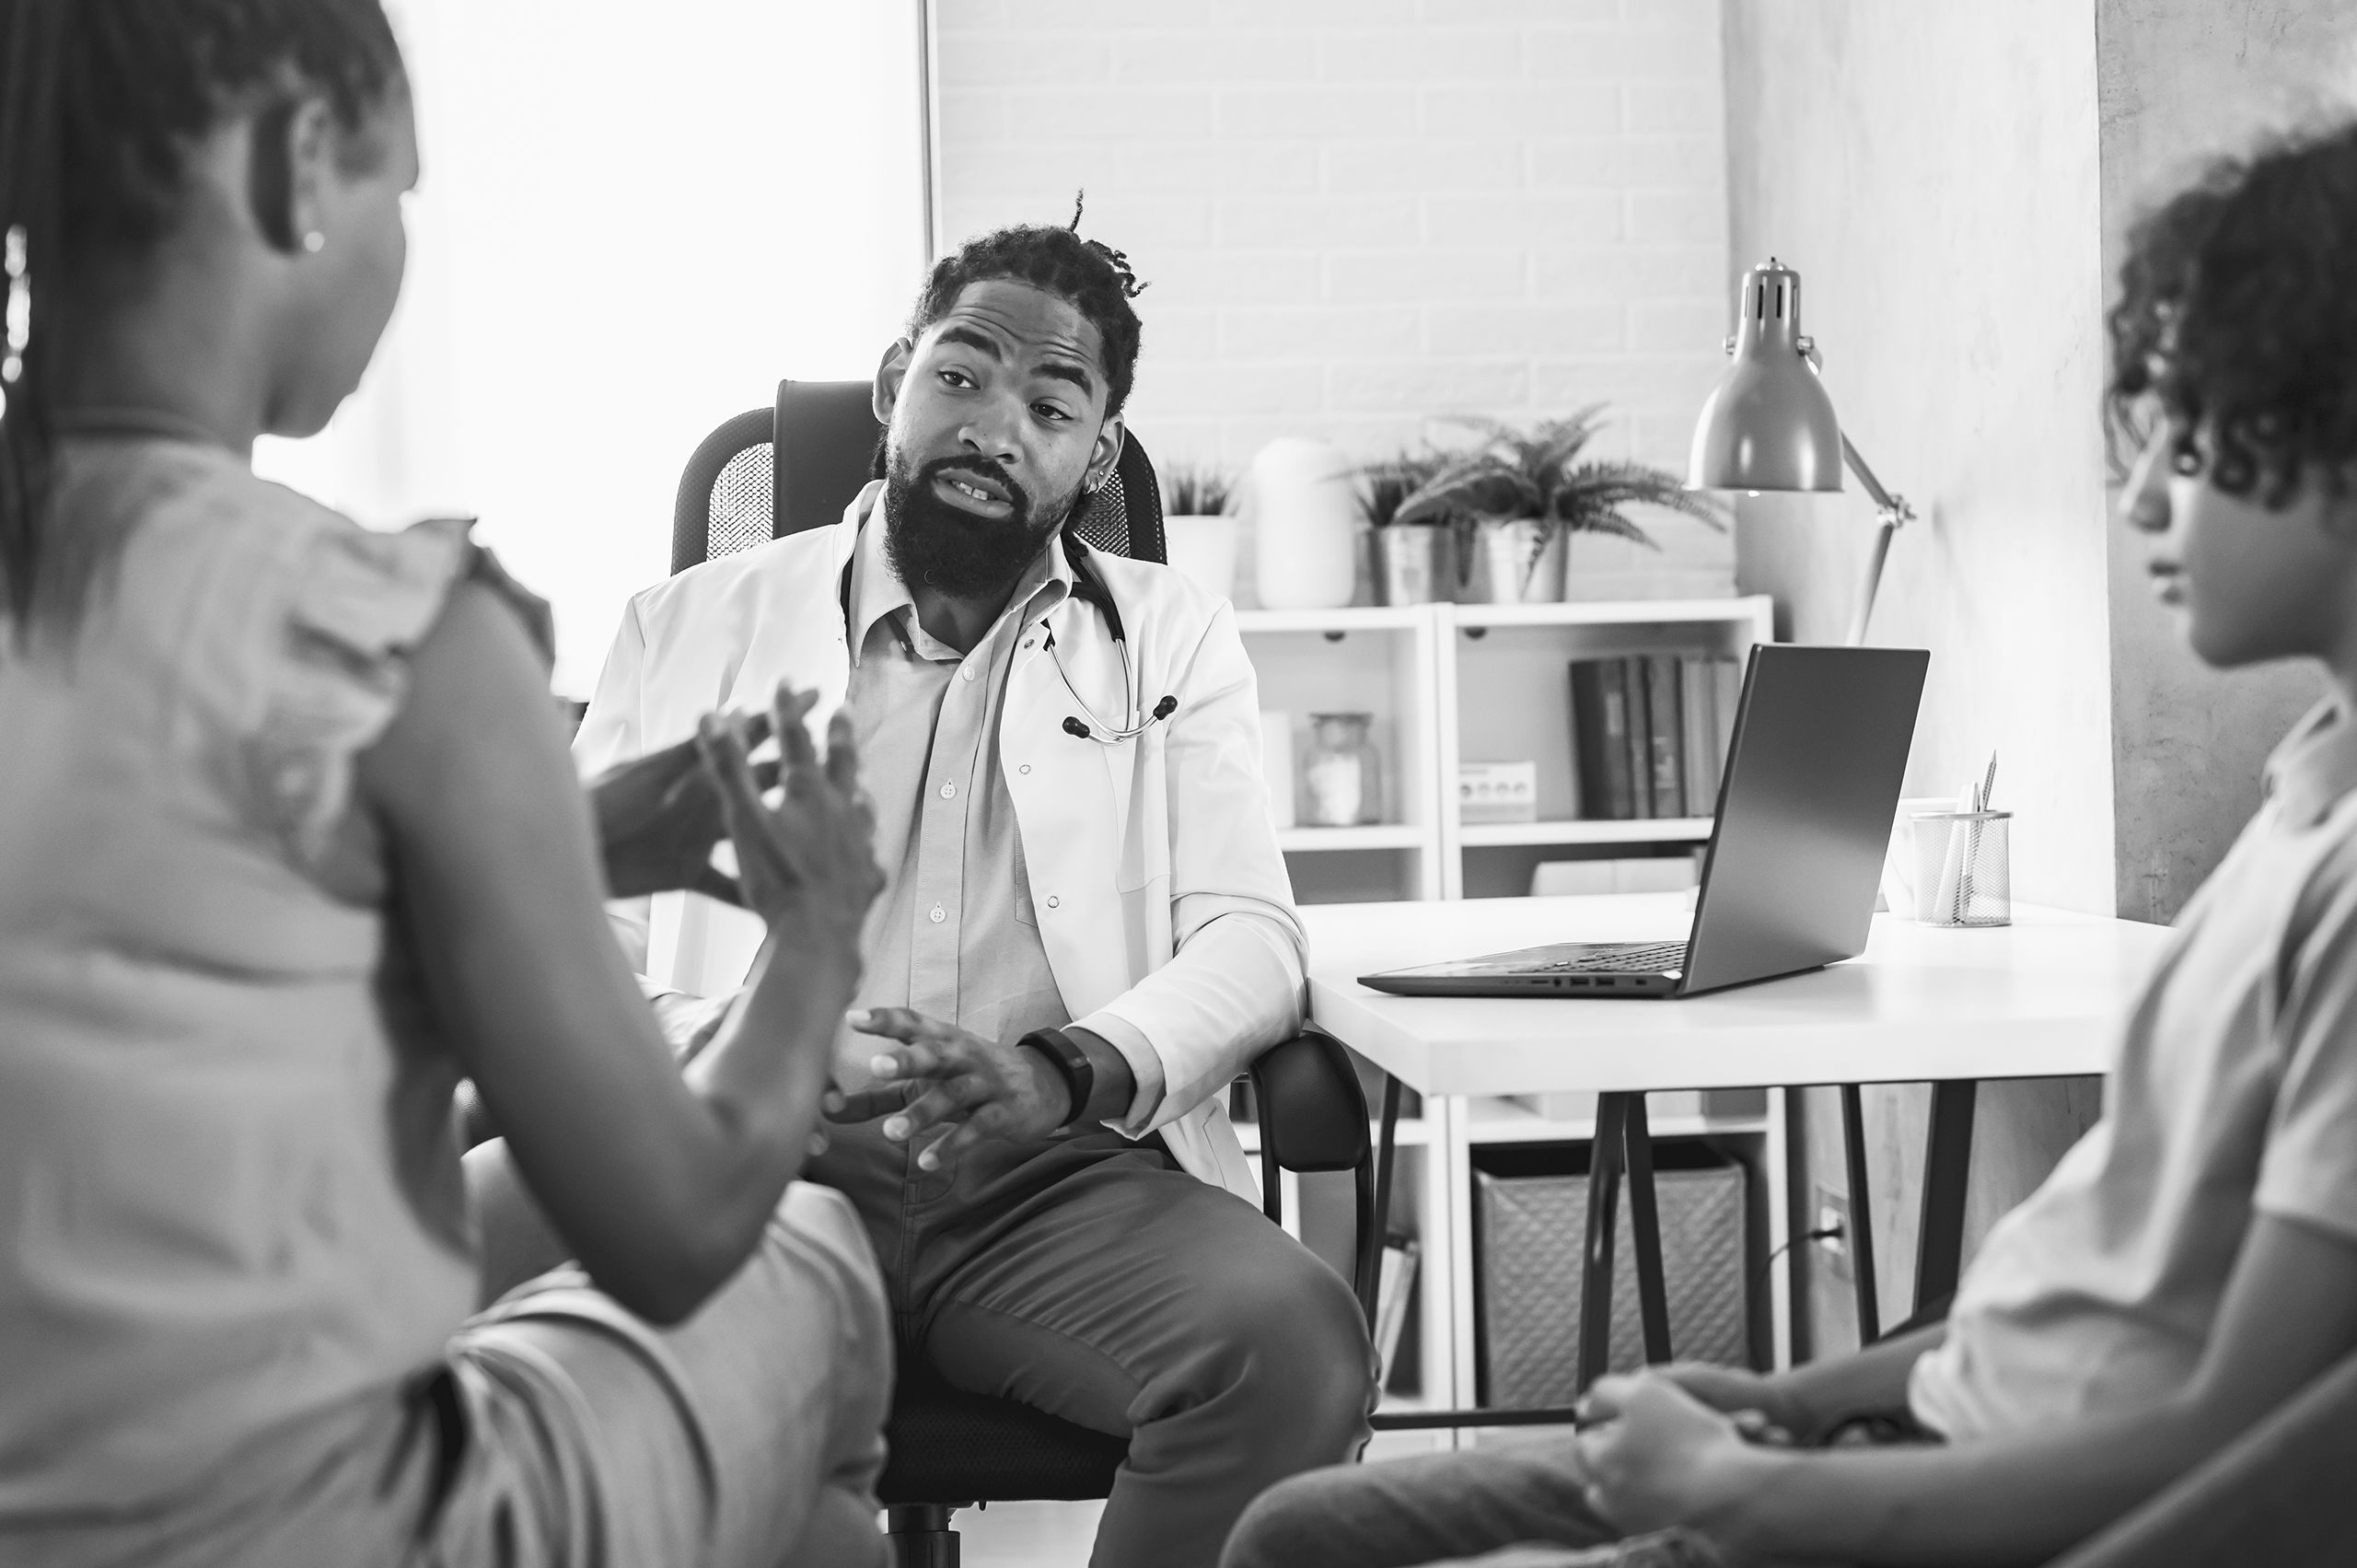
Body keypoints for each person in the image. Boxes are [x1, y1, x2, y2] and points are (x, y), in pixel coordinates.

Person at [1223, 118, 2357, 1568]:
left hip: (1958, 1501)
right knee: (1299, 1532)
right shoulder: (2299, 807)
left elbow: (2239, 1451)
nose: (2138, 500)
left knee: (1299, 1549)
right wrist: (1794, 1398)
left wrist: (1736, 1489)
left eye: (2189, 446)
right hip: (1903, 1431)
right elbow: (2092, 1283)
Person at [0, 4, 894, 1564]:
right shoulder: (396, 635)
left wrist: (562, 840)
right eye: (400, 190)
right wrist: (817, 936)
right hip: (310, 1526)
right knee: (811, 1253)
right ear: (301, 166)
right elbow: (677, 1227)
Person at [573, 215, 1377, 1566]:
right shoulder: (687, 626)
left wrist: (1064, 1074)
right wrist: (759, 1046)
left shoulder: (1170, 635)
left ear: (1096, 454)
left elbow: (1249, 934)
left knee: (1289, 1350)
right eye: (961, 376)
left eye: (1050, 407)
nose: (994, 429)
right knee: (524, 1345)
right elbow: (572, 945)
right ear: (898, 383)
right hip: (758, 1168)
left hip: (1052, 1175)